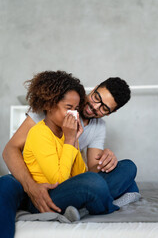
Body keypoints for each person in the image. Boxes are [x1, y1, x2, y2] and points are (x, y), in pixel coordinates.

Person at [1, 71, 140, 238]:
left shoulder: (94, 126)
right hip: (26, 177)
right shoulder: (52, 106)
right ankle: (96, 202)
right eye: (97, 98)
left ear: (110, 113)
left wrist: (107, 158)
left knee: (127, 167)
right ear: (94, 89)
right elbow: (10, 149)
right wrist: (31, 186)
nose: (95, 106)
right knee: (5, 186)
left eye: (104, 108)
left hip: (64, 180)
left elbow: (89, 173)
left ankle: (82, 204)